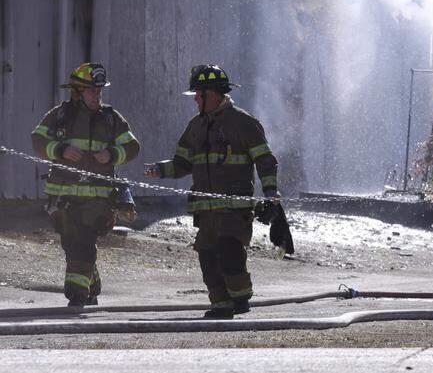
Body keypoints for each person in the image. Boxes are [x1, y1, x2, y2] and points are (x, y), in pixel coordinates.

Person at [145, 65, 280, 318]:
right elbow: (183, 162)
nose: (195, 99)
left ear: (213, 94)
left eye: (199, 94)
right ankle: (220, 305)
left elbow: (265, 160)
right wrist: (160, 170)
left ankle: (240, 300)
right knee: (207, 256)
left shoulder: (243, 123)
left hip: (233, 209)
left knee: (230, 253)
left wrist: (271, 192)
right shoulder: (196, 126)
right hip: (206, 211)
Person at [30, 63, 140, 307]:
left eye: (99, 92)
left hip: (97, 200)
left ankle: (77, 295)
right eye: (91, 92)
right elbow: (37, 139)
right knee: (72, 243)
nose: (96, 97)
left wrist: (112, 154)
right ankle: (91, 283)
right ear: (77, 93)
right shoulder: (59, 115)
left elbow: (132, 147)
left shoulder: (111, 118)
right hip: (63, 197)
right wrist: (59, 150)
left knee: (83, 241)